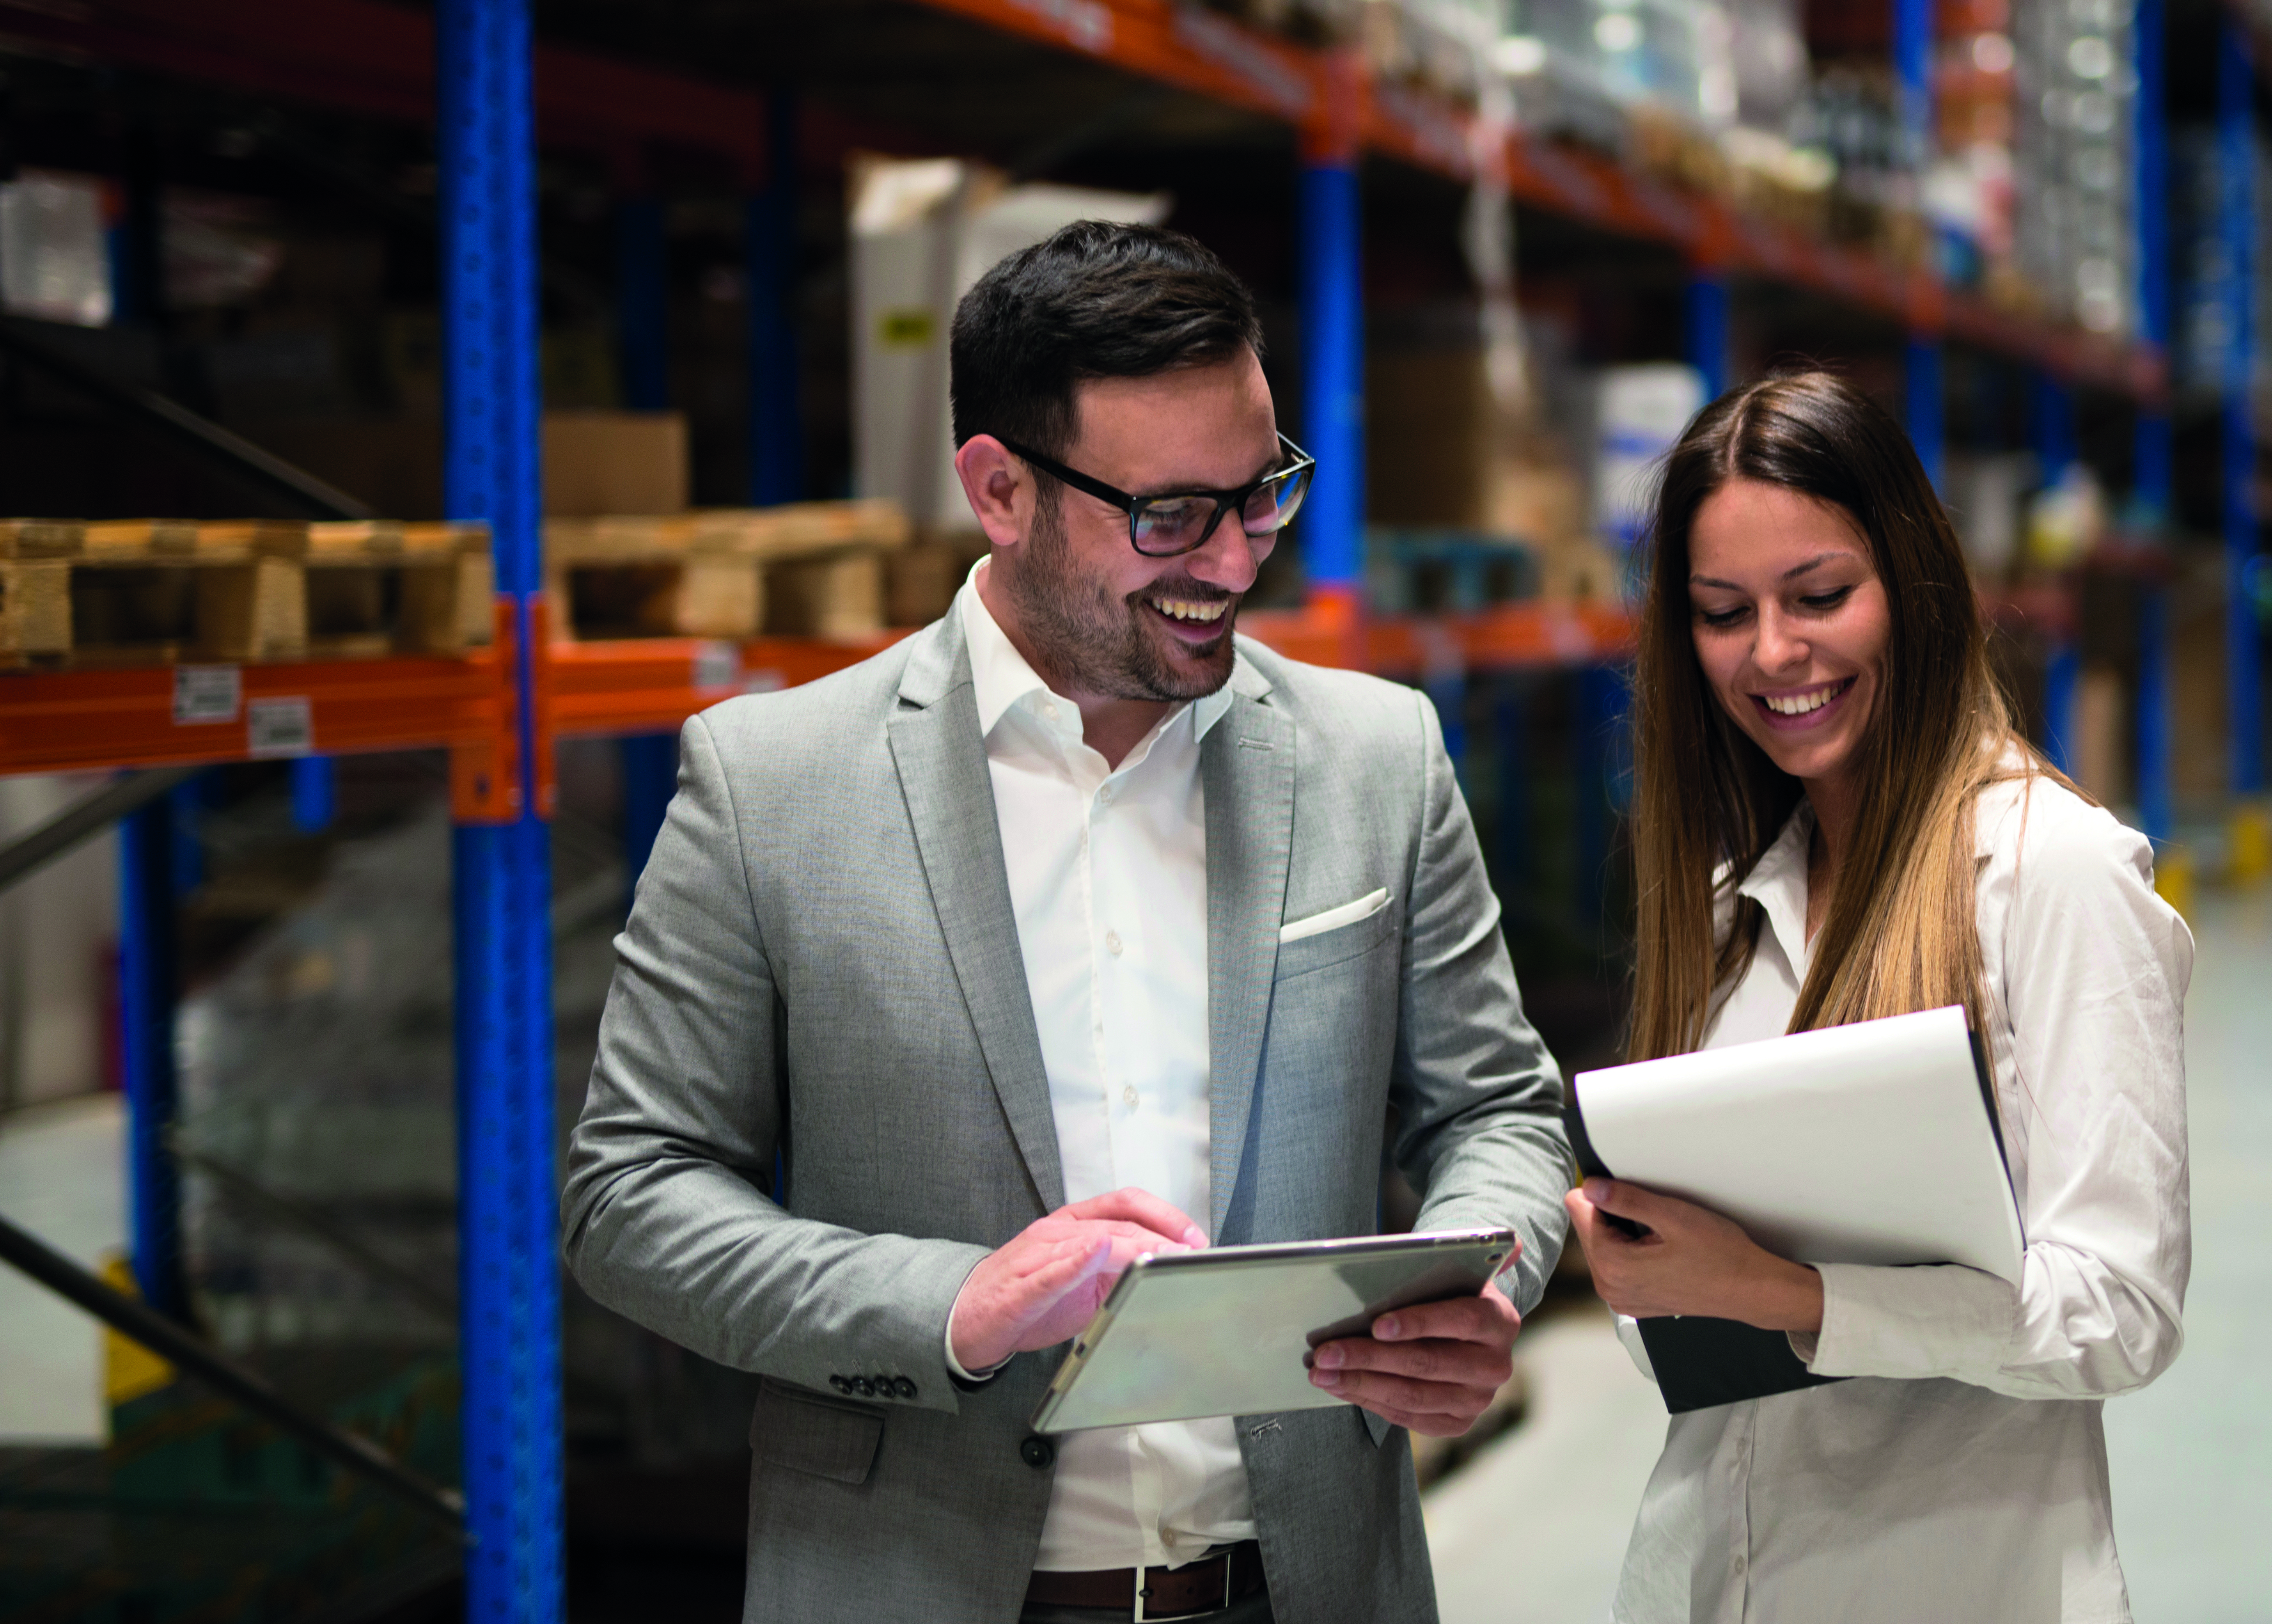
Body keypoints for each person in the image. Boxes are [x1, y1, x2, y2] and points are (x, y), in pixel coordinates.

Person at [563, 221, 1572, 1624]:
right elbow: (631, 1194)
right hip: (917, 1582)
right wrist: (952, 1306)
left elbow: (1498, 1110)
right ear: (999, 490)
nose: (1232, 562)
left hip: (1302, 1581)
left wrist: (1485, 1279)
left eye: (1262, 491)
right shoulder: (772, 784)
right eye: (1168, 515)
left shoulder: (1374, 756)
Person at [1562, 368, 2192, 1624]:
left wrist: (1778, 1290)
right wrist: (1646, 1267)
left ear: (1913, 582)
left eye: (1820, 596)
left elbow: (2122, 1313)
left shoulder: (2050, 875)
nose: (1775, 653)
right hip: (1710, 1573)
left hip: (1955, 1579)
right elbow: (1685, 1336)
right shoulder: (1737, 898)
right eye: (1722, 610)